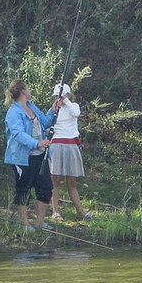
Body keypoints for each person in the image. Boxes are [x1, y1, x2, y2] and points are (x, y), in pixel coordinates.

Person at [4, 79, 56, 232]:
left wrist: (53, 110)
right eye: (28, 88)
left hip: (41, 156)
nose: (29, 90)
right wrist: (37, 143)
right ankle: (25, 224)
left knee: (46, 187)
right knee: (23, 189)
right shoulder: (13, 112)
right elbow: (18, 134)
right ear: (23, 91)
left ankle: (40, 222)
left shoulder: (32, 107)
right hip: (22, 158)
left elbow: (46, 122)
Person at [48, 83, 91, 221]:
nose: (59, 98)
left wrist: (66, 100)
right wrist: (56, 106)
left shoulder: (74, 106)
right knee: (55, 181)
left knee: (72, 182)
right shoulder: (54, 109)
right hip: (56, 145)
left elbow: (76, 113)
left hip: (71, 144)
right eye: (57, 96)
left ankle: (81, 212)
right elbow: (47, 123)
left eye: (62, 95)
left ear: (69, 95)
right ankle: (55, 212)